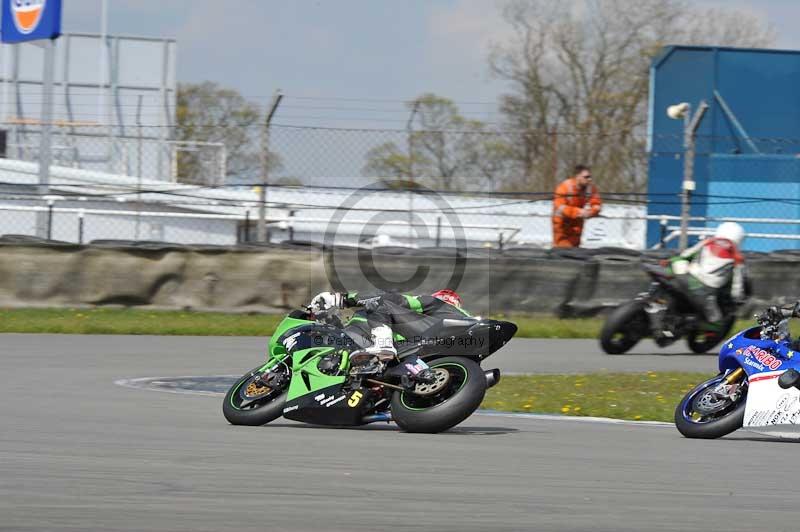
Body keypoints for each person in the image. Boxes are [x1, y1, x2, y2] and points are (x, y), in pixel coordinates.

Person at [309, 289, 470, 374]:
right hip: (444, 355)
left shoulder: (437, 303)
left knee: (381, 303)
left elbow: (398, 300)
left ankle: (383, 345)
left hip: (436, 335)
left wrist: (342, 299)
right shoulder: (467, 320)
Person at [669, 221, 748, 329]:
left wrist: (677, 260)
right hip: (705, 289)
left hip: (687, 276)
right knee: (716, 321)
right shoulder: (737, 258)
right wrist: (737, 297)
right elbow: (737, 284)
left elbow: (686, 254)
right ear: (739, 238)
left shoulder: (708, 241)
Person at [551, 164, 602, 248]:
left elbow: (597, 204)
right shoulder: (565, 187)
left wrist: (590, 212)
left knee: (575, 249)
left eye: (590, 177)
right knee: (562, 248)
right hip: (562, 223)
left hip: (577, 223)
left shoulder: (590, 189)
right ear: (578, 176)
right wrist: (578, 212)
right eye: (586, 177)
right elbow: (560, 207)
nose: (590, 179)